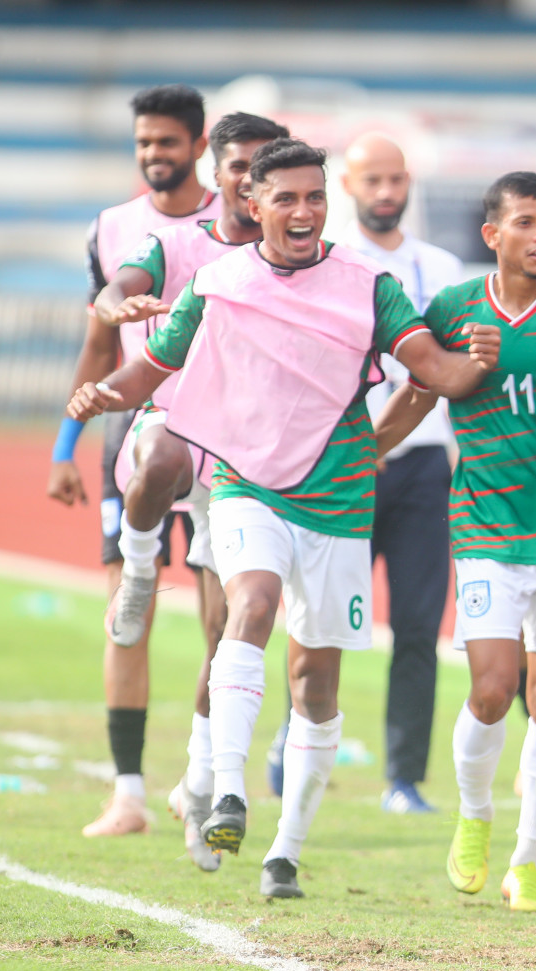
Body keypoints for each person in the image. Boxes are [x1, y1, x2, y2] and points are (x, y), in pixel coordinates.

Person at [66, 138, 497, 900]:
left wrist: (476, 362)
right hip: (246, 486)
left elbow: (435, 371)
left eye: (315, 197)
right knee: (251, 603)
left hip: (337, 501)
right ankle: (226, 791)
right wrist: (107, 392)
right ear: (252, 204)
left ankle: (285, 853)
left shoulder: (369, 285)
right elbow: (155, 367)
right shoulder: (221, 282)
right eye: (287, 198)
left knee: (315, 682)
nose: (303, 211)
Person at [396, 171, 536, 913]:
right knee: (493, 691)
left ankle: (527, 862)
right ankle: (475, 816)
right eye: (526, 222)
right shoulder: (456, 308)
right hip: (487, 531)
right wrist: (360, 458)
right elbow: (418, 390)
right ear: (493, 235)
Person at [90, 111, 290, 869]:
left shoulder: (298, 265)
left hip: (244, 452)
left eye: (258, 167)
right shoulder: (179, 244)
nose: (244, 180)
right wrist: (120, 305)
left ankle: (200, 780)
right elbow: (121, 283)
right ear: (217, 171)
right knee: (166, 452)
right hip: (170, 417)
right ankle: (141, 567)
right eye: (235, 165)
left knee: (228, 628)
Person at [47, 83, 222, 839]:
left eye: (167, 143)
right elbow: (97, 338)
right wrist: (64, 446)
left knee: (227, 620)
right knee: (129, 613)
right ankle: (127, 792)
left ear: (199, 144)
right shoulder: (113, 227)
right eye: (144, 144)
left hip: (220, 436)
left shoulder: (239, 223)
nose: (154, 156)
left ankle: (201, 771)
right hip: (132, 436)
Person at [339, 132, 466, 814]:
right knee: (321, 618)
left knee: (418, 625)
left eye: (395, 180)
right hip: (346, 463)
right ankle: (295, 740)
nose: (386, 192)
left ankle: (403, 779)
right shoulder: (327, 265)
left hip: (422, 466)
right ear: (348, 187)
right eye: (372, 181)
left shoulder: (443, 268)